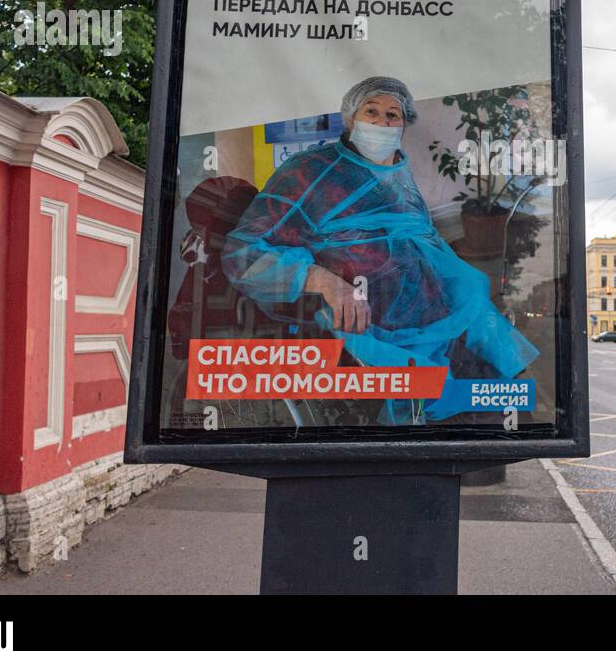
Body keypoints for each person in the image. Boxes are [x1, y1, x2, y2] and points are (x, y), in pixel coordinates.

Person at [222, 76, 538, 424]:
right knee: (409, 413)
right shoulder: (309, 172)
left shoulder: (398, 171)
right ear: (350, 118)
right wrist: (326, 283)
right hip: (363, 321)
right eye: (371, 111)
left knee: (491, 362)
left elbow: (421, 238)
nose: (382, 122)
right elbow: (243, 252)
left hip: (429, 311)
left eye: (392, 115)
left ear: (403, 125)